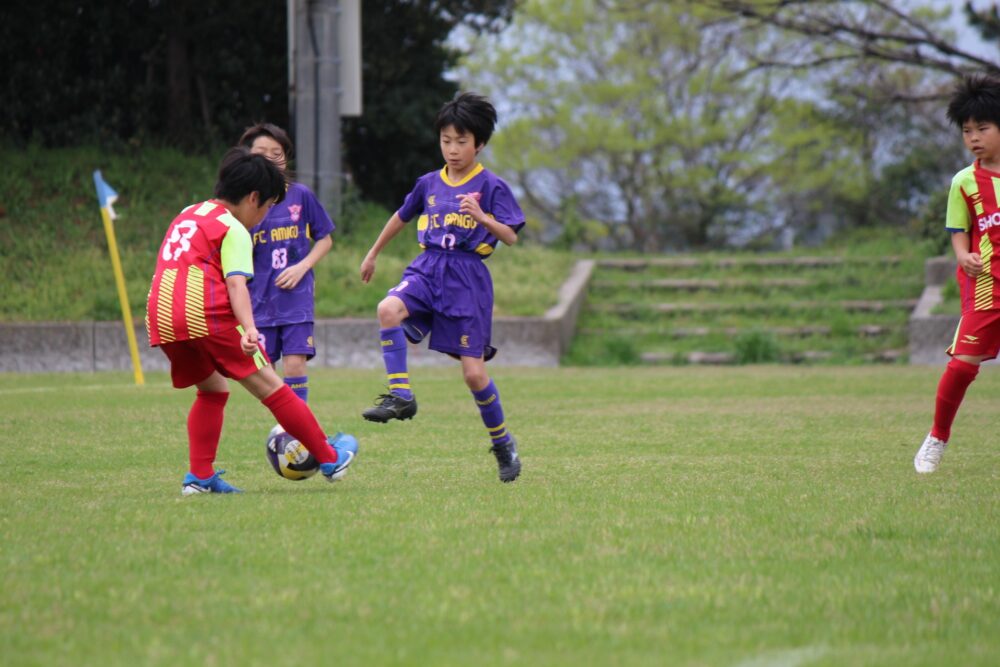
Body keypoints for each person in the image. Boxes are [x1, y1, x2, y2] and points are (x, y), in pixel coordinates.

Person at [145, 146, 357, 494]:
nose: (265, 215)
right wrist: (250, 329)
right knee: (272, 386)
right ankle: (330, 458)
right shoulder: (233, 228)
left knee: (212, 389)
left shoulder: (188, 213)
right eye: (268, 206)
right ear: (253, 197)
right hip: (204, 312)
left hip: (162, 315)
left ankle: (199, 476)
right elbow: (235, 283)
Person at [359, 92, 525, 483]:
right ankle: (401, 395)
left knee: (473, 375)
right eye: (446, 140)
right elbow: (401, 216)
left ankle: (503, 443)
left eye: (461, 141)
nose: (452, 149)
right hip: (428, 267)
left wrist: (482, 217)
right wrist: (373, 253)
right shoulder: (429, 183)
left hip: (467, 280)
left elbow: (511, 236)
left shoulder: (492, 185)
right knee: (387, 309)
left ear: (479, 144)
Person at [914, 73, 1000, 473]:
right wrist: (963, 256)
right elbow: (958, 229)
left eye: (983, 128)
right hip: (985, 287)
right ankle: (937, 437)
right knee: (963, 365)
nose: (974, 138)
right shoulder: (964, 182)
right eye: (967, 131)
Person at [237, 123, 335, 404]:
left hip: (296, 299)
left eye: (276, 153)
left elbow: (325, 239)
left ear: (286, 158)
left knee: (295, 365)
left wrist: (302, 267)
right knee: (266, 373)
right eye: (261, 153)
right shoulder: (243, 202)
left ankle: (296, 428)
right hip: (259, 300)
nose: (269, 158)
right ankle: (285, 424)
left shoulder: (301, 195)